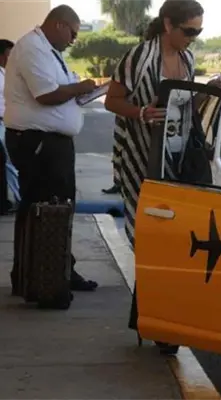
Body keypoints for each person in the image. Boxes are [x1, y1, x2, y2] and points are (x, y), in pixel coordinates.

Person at [104, 0, 221, 340]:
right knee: (152, 241)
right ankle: (155, 322)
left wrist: (209, 93)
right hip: (145, 160)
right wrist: (141, 112)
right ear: (168, 24)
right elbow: (112, 100)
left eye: (198, 31)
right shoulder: (139, 58)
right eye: (189, 31)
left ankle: (164, 323)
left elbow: (185, 108)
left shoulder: (187, 59)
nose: (193, 38)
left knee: (176, 243)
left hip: (179, 158)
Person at [4, 5, 99, 295]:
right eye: (73, 33)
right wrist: (80, 87)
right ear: (59, 25)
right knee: (45, 208)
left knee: (53, 208)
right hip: (38, 142)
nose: (73, 40)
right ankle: (39, 276)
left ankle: (54, 270)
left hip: (51, 142)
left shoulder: (49, 51)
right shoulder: (32, 48)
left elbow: (59, 91)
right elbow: (46, 95)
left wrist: (80, 92)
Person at [0, 39, 20, 210]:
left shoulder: (6, 74)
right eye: (9, 55)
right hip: (1, 122)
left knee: (10, 163)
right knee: (10, 163)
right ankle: (22, 197)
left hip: (8, 122)